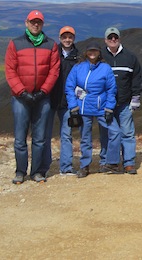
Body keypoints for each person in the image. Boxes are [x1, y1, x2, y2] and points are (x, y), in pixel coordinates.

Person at [4, 9, 61, 184]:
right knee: (20, 138)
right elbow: (10, 70)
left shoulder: (51, 45)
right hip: (20, 98)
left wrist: (43, 91)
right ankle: (20, 171)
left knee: (40, 138)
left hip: (42, 97)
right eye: (32, 22)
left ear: (42, 24)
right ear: (26, 23)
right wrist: (22, 92)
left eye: (39, 22)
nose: (36, 24)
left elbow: (54, 71)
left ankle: (37, 172)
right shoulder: (15, 44)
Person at [64, 42, 118, 178]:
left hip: (102, 108)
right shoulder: (78, 68)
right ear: (86, 52)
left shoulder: (105, 68)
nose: (92, 53)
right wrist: (73, 106)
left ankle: (109, 162)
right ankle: (84, 166)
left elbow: (112, 89)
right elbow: (69, 86)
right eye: (90, 51)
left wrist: (109, 108)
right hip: (83, 108)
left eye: (95, 51)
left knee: (114, 132)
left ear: (99, 53)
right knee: (85, 138)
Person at [100, 26, 142, 175]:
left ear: (119, 39)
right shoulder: (100, 57)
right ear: (105, 40)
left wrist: (136, 98)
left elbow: (136, 78)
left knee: (127, 133)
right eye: (110, 38)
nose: (113, 40)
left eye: (115, 37)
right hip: (105, 105)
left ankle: (129, 162)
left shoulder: (130, 57)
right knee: (106, 133)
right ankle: (106, 161)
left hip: (125, 103)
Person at [47, 25, 79, 176]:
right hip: (49, 99)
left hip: (68, 102)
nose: (67, 40)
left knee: (66, 134)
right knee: (45, 134)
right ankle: (43, 167)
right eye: (64, 37)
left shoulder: (79, 57)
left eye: (70, 37)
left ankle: (65, 167)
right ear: (60, 38)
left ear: (74, 38)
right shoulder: (52, 54)